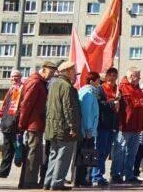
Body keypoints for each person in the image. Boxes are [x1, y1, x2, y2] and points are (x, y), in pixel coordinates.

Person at [43, 60, 82, 191]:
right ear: (69, 71)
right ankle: (57, 183)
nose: (75, 75)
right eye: (74, 72)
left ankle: (48, 182)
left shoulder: (53, 84)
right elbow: (69, 108)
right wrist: (73, 127)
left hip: (52, 127)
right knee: (63, 157)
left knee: (54, 155)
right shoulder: (67, 86)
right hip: (64, 128)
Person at [18, 61, 56, 189]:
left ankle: (27, 181)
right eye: (50, 72)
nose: (51, 75)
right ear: (43, 69)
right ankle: (29, 182)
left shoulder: (39, 82)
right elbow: (26, 104)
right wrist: (22, 125)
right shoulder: (35, 82)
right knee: (33, 154)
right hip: (33, 124)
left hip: (36, 123)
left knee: (34, 153)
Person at [111, 67, 143, 185]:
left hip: (136, 127)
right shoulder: (122, 88)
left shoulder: (138, 89)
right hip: (125, 126)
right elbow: (118, 109)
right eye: (138, 76)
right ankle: (116, 174)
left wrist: (142, 124)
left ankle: (129, 174)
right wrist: (119, 124)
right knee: (120, 151)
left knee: (132, 153)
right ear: (131, 76)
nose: (139, 78)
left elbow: (141, 107)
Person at [0, 69, 23, 179]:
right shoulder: (11, 89)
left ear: (20, 77)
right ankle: (3, 171)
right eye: (12, 77)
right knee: (7, 149)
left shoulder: (21, 89)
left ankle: (20, 163)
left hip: (15, 124)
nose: (14, 78)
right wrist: (1, 113)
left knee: (18, 147)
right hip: (7, 123)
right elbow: (5, 105)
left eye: (17, 76)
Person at [92, 68, 119, 188]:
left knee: (107, 152)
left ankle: (100, 174)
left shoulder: (117, 89)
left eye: (114, 75)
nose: (112, 78)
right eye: (110, 75)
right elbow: (98, 104)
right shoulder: (100, 89)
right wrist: (112, 103)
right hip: (102, 125)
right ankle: (97, 176)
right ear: (106, 76)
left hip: (113, 126)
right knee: (100, 151)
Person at [74, 72, 101, 188]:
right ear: (91, 81)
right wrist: (89, 129)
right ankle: (82, 178)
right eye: (98, 81)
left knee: (83, 154)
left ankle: (82, 178)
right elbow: (87, 113)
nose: (99, 83)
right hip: (87, 131)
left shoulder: (87, 92)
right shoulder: (88, 94)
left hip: (86, 130)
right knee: (86, 155)